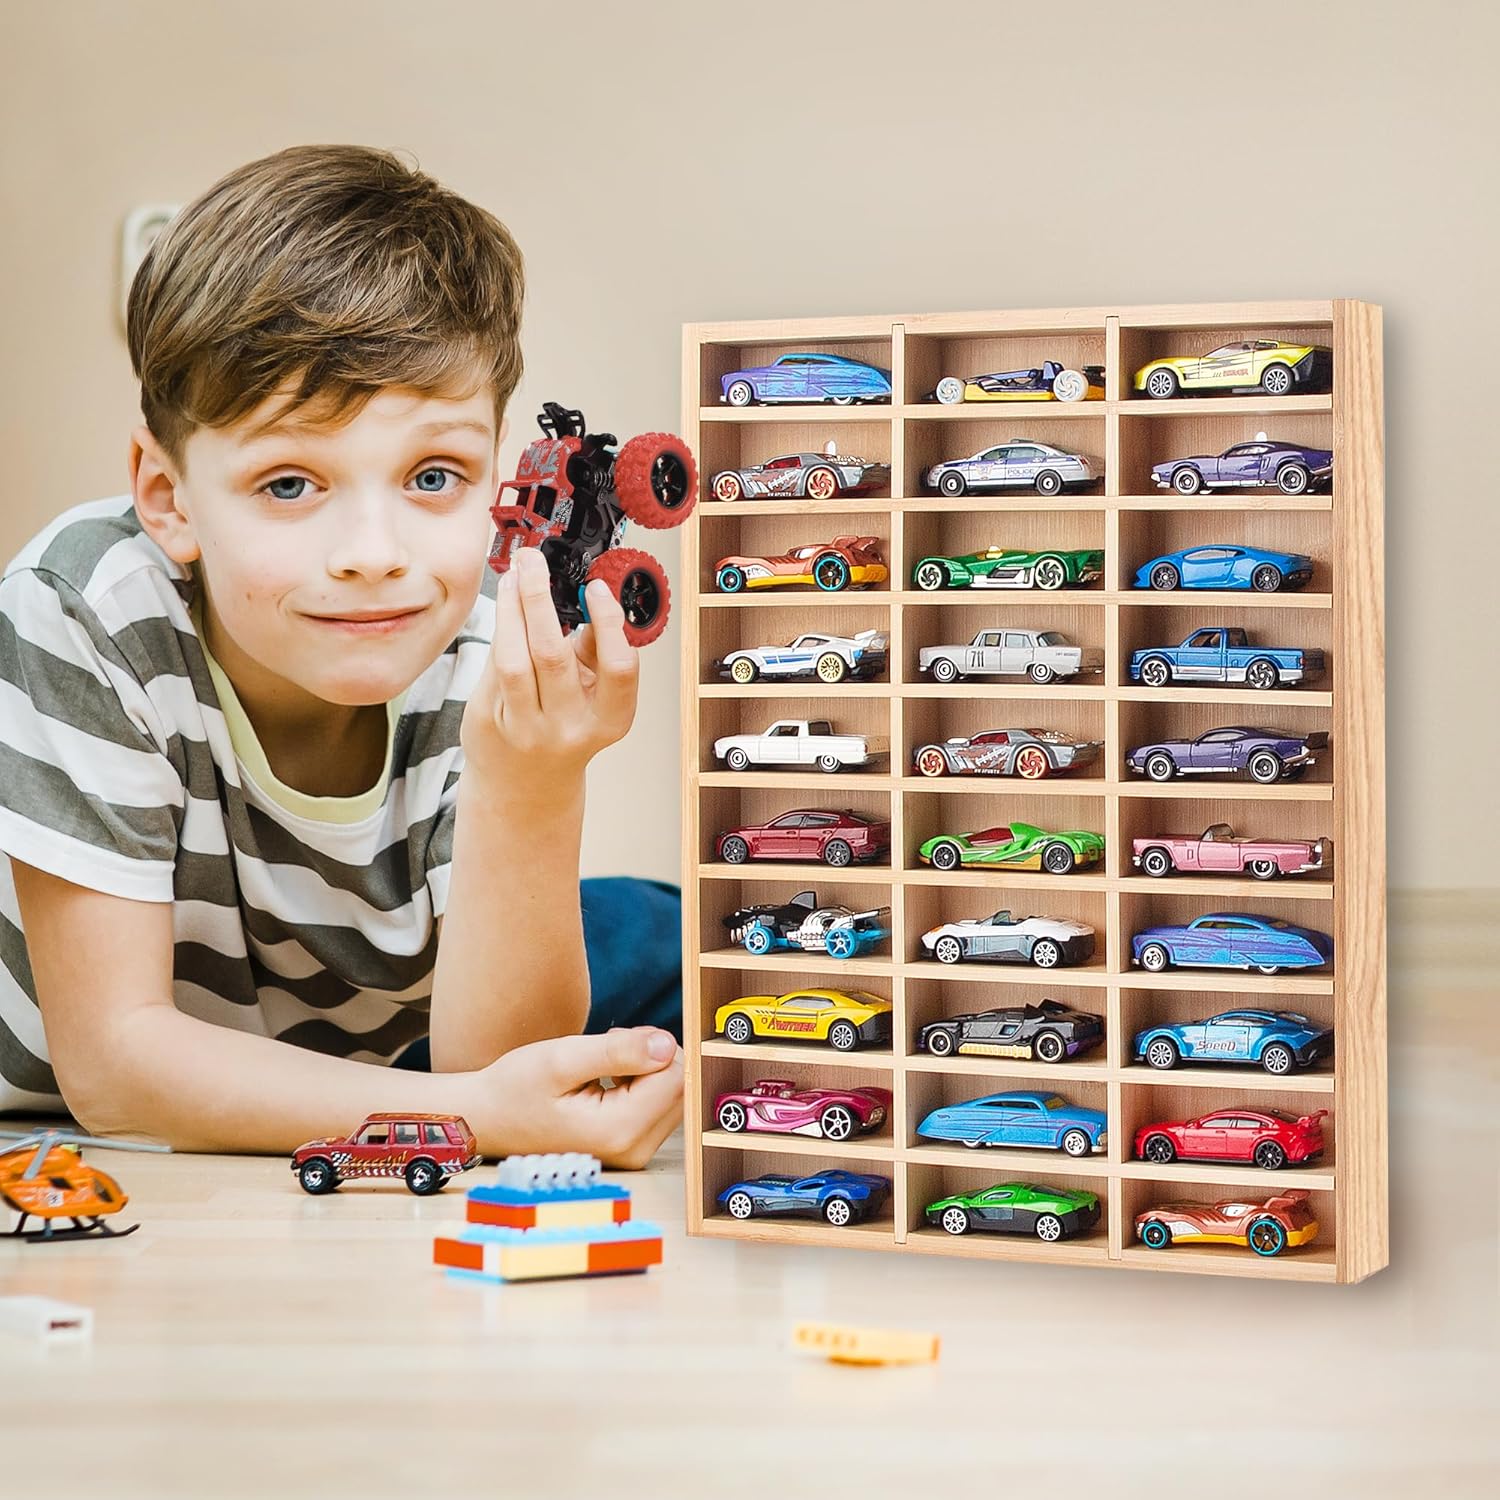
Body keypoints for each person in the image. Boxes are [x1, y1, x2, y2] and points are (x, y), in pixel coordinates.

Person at [0, 144, 684, 1165]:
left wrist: (534, 784)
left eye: (435, 475)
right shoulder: (84, 604)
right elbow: (111, 1067)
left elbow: (503, 1066)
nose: (376, 557)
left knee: (660, 932)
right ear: (168, 496)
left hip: (389, 1046)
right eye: (289, 484)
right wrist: (474, 1118)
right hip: (107, 1098)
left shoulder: (492, 612)